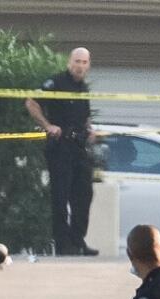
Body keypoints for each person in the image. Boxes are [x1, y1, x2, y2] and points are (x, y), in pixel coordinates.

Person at [26, 47, 98, 256]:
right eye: (77, 61)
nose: (80, 66)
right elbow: (31, 103)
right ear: (69, 62)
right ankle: (63, 244)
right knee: (61, 196)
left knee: (84, 194)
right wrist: (48, 125)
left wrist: (90, 128)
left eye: (85, 62)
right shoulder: (55, 82)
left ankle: (78, 240)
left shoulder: (83, 87)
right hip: (61, 146)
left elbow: (84, 114)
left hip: (80, 146)